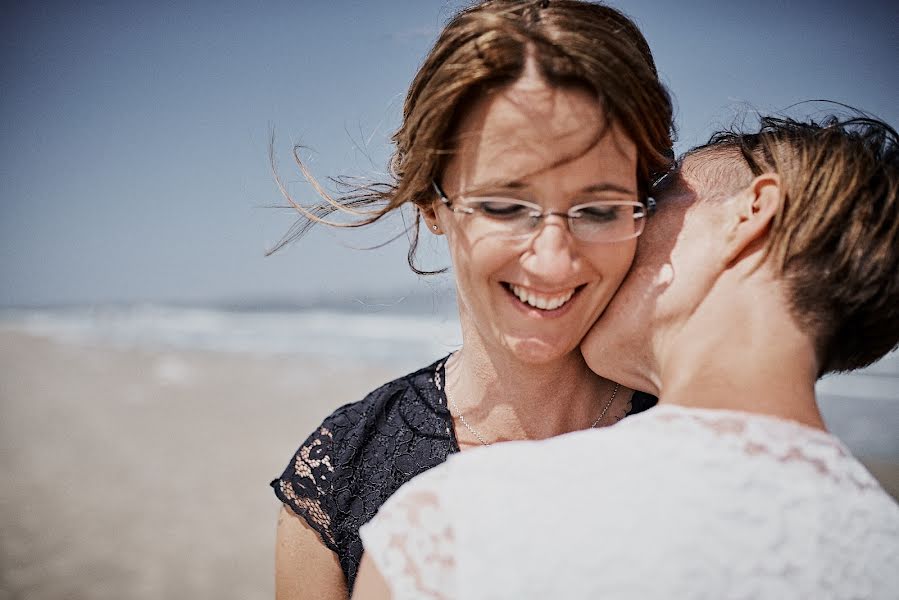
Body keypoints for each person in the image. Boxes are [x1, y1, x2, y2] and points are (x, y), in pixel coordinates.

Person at [353, 113, 899, 599]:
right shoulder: (881, 548)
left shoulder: (457, 526)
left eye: (651, 202)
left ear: (749, 212)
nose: (604, 243)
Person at [271, 1, 674, 597]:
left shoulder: (703, 446)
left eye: (599, 209)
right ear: (432, 204)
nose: (552, 259)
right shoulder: (339, 477)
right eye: (506, 206)